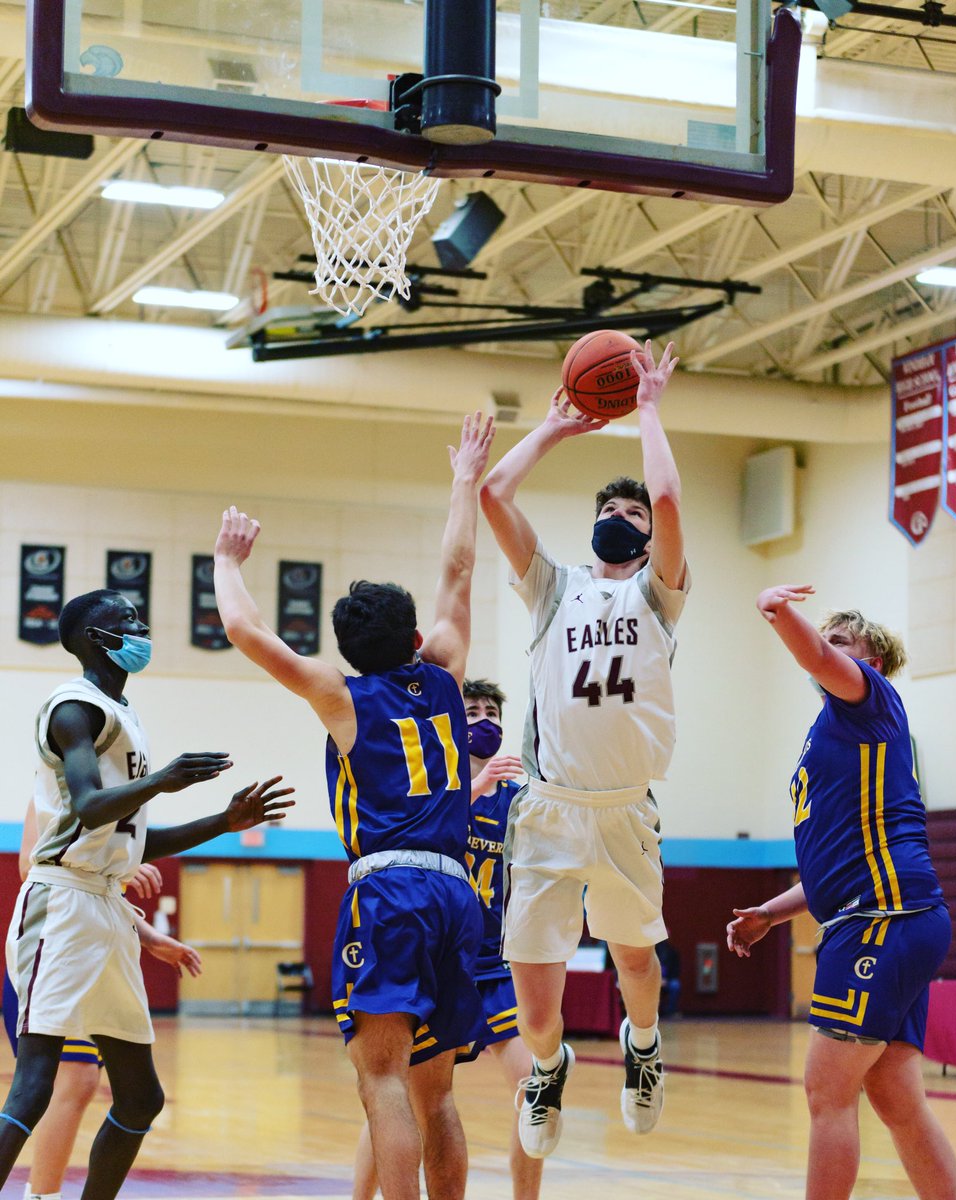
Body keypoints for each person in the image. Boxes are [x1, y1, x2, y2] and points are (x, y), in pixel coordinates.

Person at [213, 412, 496, 1200]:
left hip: (393, 890)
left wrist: (226, 559)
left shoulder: (342, 696)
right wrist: (463, 478)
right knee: (438, 1092)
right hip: (459, 890)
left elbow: (242, 628)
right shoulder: (444, 673)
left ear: (347, 649)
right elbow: (460, 569)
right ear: (413, 637)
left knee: (383, 1083)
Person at [0, 589, 294, 1200]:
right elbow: (86, 805)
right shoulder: (72, 708)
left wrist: (223, 822)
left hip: (105, 905)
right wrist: (162, 781)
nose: (139, 627)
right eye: (123, 621)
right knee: (35, 1086)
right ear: (89, 637)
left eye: (139, 616)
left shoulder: (122, 715)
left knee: (141, 1096)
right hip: (60, 903)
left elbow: (134, 841)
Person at [479, 340, 689, 1158]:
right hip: (547, 810)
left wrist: (646, 409)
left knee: (636, 964)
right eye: (614, 510)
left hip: (624, 811)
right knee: (535, 1005)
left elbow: (667, 493)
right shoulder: (553, 587)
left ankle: (642, 1045)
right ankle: (547, 1065)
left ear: (644, 538)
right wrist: (557, 428)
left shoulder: (659, 591)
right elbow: (495, 492)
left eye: (632, 516)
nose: (623, 518)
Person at [726, 587, 956, 1200]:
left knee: (827, 1090)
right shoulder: (828, 733)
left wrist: (780, 612)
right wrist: (771, 914)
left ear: (870, 663)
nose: (825, 652)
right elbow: (831, 867)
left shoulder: (870, 701)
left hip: (886, 918)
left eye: (840, 643)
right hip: (888, 918)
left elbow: (815, 660)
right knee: (896, 1099)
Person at [351, 677, 543, 1200]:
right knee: (398, 1094)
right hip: (441, 955)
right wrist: (475, 789)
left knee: (539, 1088)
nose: (483, 719)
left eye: (491, 712)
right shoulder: (432, 782)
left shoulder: (521, 799)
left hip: (499, 964)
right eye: (471, 710)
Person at [2, 800, 202, 1200]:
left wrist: (147, 937)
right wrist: (122, 866)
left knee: (128, 1093)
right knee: (74, 1080)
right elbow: (30, 864)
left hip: (97, 946)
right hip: (54, 946)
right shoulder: (63, 783)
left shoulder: (125, 794)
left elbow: (105, 892)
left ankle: (43, 1193)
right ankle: (42, 1194)